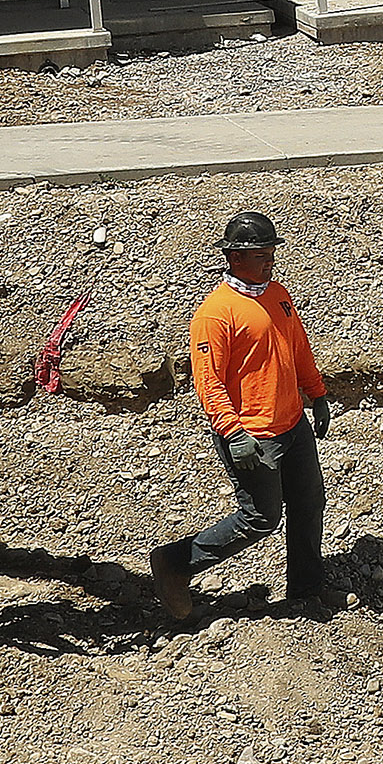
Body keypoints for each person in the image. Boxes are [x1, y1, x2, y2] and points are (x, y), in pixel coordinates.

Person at [150, 210, 330, 619]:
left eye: (270, 252)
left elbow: (297, 350)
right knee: (259, 519)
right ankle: (175, 563)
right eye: (260, 253)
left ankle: (306, 591)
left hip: (292, 425)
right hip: (252, 434)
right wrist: (233, 432)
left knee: (308, 503)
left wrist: (316, 394)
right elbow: (208, 381)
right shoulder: (217, 313)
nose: (269, 260)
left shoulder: (277, 295)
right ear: (234, 257)